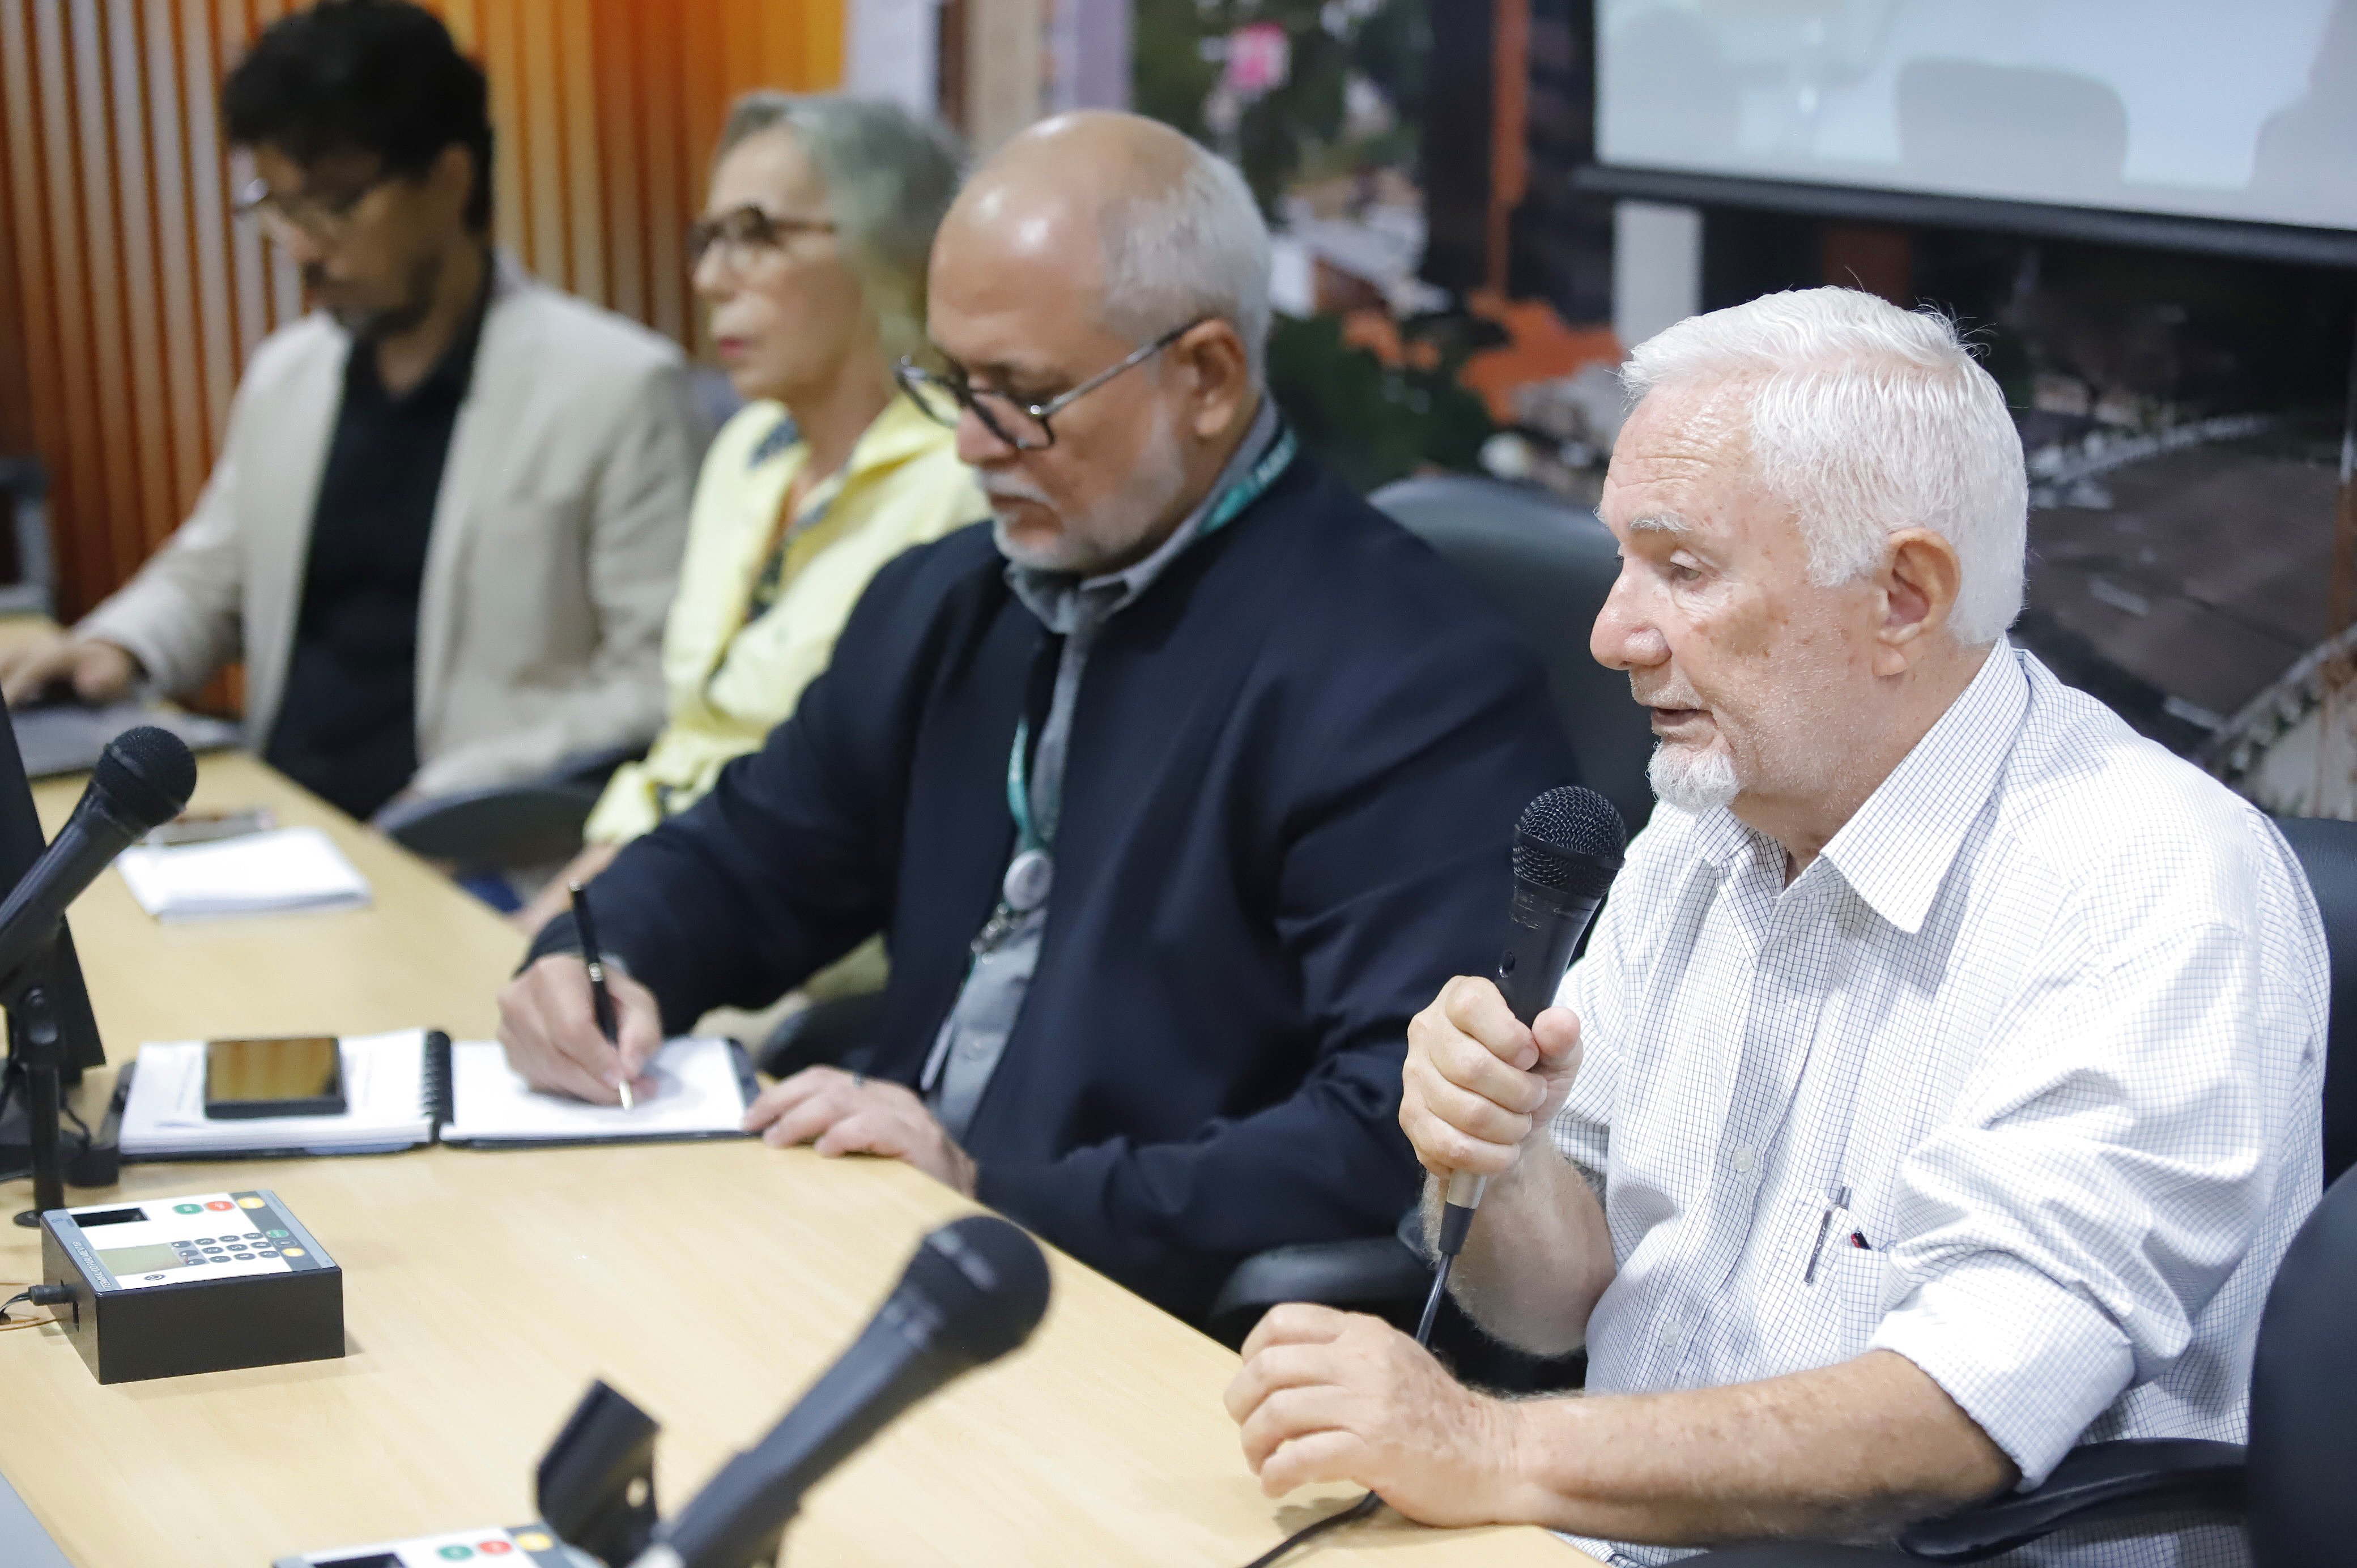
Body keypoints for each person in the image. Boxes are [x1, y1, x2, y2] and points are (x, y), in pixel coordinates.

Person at [1225, 288, 2326, 1566]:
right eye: (1623, 561)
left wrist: (1489, 1449)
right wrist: (1494, 1158)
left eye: (1683, 569)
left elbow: (1958, 1417)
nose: (1611, 633)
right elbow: (1559, 1302)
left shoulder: (2158, 884)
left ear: (1903, 597)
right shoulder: (1708, 817)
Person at [492, 110, 1579, 1321]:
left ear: (1207, 377)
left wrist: (993, 1192)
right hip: (881, 1242)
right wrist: (602, 954)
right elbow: (756, 851)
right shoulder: (952, 597)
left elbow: (1394, 1128)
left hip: (1140, 1315)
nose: (970, 443)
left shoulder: (1409, 676)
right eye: (952, 383)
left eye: (1023, 396)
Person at [0, 0, 694, 823]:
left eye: (334, 202)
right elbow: (211, 574)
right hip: (280, 814)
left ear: (449, 180)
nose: (301, 247)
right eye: (278, 206)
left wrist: (469, 783)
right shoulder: (290, 374)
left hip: (457, 839)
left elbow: (656, 679)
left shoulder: (616, 386)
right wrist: (114, 645)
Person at [512, 92, 984, 936]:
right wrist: (580, 905)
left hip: (798, 943)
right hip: (652, 890)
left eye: (757, 235)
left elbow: (887, 818)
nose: (710, 280)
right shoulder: (746, 450)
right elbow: (690, 743)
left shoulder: (967, 478)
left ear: (892, 248)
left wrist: (600, 918)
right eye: (710, 239)